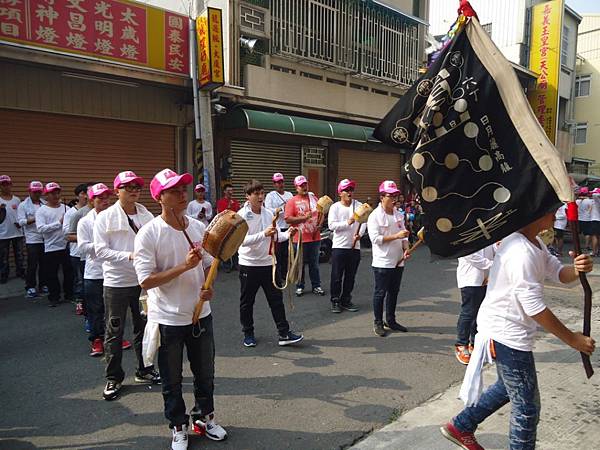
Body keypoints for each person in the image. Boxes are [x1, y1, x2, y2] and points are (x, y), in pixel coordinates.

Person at [441, 211, 596, 450]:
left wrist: (577, 269)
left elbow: (558, 273)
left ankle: (461, 426)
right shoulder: (520, 251)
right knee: (527, 408)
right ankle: (462, 426)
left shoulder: (534, 243)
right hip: (506, 336)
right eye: (550, 208)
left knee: (507, 388)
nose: (556, 213)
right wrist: (572, 339)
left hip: (509, 332)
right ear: (535, 212)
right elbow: (534, 307)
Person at [134, 168, 227, 450]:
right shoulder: (149, 233)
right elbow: (146, 280)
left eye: (182, 189)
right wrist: (184, 266)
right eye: (174, 190)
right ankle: (177, 426)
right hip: (167, 319)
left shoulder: (199, 228)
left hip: (201, 315)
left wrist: (210, 286)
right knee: (172, 379)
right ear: (159, 197)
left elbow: (211, 265)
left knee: (205, 373)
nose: (181, 194)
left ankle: (204, 418)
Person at [94, 170, 159, 401]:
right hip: (116, 283)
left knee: (145, 327)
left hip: (144, 282)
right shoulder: (104, 218)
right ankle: (114, 378)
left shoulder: (146, 215)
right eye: (128, 187)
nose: (133, 190)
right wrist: (129, 256)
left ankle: (145, 369)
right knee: (114, 331)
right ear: (117, 191)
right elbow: (100, 251)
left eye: (136, 186)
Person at [237, 179, 304, 348]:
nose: (260, 196)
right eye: (256, 194)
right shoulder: (241, 216)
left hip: (268, 264)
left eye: (262, 193)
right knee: (247, 302)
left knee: (276, 300)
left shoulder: (268, 214)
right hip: (249, 265)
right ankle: (248, 333)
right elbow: (240, 241)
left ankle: (284, 333)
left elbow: (275, 236)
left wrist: (288, 233)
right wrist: (263, 234)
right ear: (247, 197)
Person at [367, 180, 410, 337]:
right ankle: (378, 322)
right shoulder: (374, 216)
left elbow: (404, 234)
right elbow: (375, 239)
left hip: (398, 259)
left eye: (396, 195)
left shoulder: (399, 214)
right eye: (390, 195)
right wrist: (395, 236)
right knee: (380, 292)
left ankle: (391, 320)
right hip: (383, 261)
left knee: (394, 292)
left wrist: (406, 248)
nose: (394, 199)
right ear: (381, 197)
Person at [78, 183, 112, 356]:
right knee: (95, 308)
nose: (105, 201)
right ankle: (96, 340)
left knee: (112, 309)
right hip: (94, 272)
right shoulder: (85, 221)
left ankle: (112, 338)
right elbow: (82, 247)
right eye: (100, 198)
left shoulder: (114, 218)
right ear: (92, 200)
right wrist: (102, 246)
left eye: (107, 197)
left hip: (112, 271)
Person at [327, 179, 365, 314]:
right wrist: (347, 222)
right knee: (336, 276)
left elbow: (364, 220)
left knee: (351, 276)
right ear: (340, 193)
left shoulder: (359, 205)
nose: (350, 192)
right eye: (346, 190)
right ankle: (335, 300)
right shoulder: (335, 207)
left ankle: (346, 299)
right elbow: (332, 226)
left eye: (351, 190)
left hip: (355, 247)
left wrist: (359, 234)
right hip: (339, 246)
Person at [284, 175, 325, 297]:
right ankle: (300, 286)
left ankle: (316, 285)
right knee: (300, 264)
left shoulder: (314, 198)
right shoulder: (292, 201)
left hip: (315, 237)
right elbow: (287, 218)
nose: (304, 187)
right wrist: (303, 218)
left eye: (305, 184)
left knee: (314, 264)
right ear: (296, 187)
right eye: (301, 185)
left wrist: (320, 223)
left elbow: (321, 212)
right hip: (300, 238)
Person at [454, 245, 495, 365]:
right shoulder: (465, 230)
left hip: (486, 277)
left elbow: (492, 248)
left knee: (481, 313)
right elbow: (468, 253)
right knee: (469, 313)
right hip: (471, 278)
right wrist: (493, 265)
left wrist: (498, 246)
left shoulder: (486, 230)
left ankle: (476, 343)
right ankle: (461, 345)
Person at [35, 182, 73, 307]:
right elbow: (40, 229)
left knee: (69, 272)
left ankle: (69, 294)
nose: (56, 195)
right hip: (51, 247)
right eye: (52, 193)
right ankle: (54, 297)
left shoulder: (66, 207)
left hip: (66, 245)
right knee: (51, 274)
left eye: (57, 192)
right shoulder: (41, 211)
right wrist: (59, 223)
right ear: (46, 195)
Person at [64, 183, 92, 314]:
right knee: (81, 282)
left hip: (98, 255)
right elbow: (68, 236)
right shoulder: (75, 213)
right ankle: (81, 304)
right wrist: (88, 239)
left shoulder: (105, 212)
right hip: (78, 253)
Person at [17, 181, 46, 298]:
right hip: (32, 239)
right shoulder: (23, 205)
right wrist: (35, 219)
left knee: (44, 264)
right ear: (29, 191)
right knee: (32, 264)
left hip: (44, 238)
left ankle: (43, 284)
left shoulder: (44, 203)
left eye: (39, 192)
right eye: (35, 192)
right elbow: (21, 221)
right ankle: (30, 286)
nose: (37, 194)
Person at [264, 173, 293, 284]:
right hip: (277, 228)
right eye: (277, 182)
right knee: (278, 254)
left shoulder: (289, 195)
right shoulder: (270, 196)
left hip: (288, 227)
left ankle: (286, 274)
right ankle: (277, 275)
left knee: (287, 254)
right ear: (274, 184)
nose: (280, 184)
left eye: (281, 182)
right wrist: (281, 209)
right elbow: (268, 211)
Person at [0, 174, 25, 284]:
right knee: (3, 257)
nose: (6, 187)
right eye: (3, 185)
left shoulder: (17, 200)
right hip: (2, 233)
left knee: (19, 255)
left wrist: (21, 224)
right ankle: (4, 275)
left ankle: (20, 272)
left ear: (11, 185)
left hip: (17, 232)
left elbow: (21, 215)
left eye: (8, 184)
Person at [216, 184, 240, 272]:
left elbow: (238, 213)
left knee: (234, 245)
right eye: (228, 190)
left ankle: (235, 264)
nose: (230, 192)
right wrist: (229, 206)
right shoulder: (221, 202)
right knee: (225, 246)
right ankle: (226, 265)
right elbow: (222, 214)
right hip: (225, 227)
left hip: (234, 227)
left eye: (232, 190)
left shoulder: (235, 201)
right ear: (224, 191)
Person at [577, 188, 593, 252]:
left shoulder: (578, 201)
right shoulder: (590, 201)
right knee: (587, 233)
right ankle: (587, 246)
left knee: (579, 233)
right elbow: (591, 210)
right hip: (588, 219)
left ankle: (578, 246)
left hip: (580, 218)